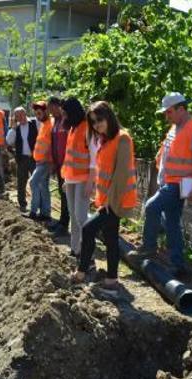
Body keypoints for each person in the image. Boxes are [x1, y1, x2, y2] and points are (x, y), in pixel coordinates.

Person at [129, 92, 192, 276]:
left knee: (151, 207)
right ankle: (177, 264)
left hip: (182, 183)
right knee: (173, 222)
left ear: (181, 109)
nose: (167, 116)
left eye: (169, 112)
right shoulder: (175, 127)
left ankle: (149, 247)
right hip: (170, 181)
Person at [72, 101, 138, 295]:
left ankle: (82, 272)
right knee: (110, 239)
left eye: (99, 120)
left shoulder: (122, 139)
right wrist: (100, 198)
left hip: (116, 201)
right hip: (107, 200)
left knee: (88, 228)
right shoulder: (106, 140)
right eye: (93, 122)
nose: (97, 125)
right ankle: (111, 280)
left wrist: (109, 201)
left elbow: (121, 174)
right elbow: (105, 174)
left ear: (109, 116)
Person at [61, 97, 90, 257]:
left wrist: (91, 182)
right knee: (74, 215)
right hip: (71, 178)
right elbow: (69, 156)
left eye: (65, 113)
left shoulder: (87, 128)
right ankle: (75, 249)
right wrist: (66, 178)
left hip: (83, 178)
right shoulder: (73, 128)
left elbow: (94, 157)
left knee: (81, 217)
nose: (63, 116)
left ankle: (86, 252)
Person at [6, 106, 38, 212]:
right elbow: (9, 141)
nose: (20, 117)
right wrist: (13, 128)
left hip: (34, 158)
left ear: (25, 114)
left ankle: (37, 205)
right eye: (17, 116)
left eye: (21, 114)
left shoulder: (34, 123)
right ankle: (22, 204)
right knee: (21, 183)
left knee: (36, 183)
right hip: (22, 158)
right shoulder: (16, 128)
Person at [47, 96, 70, 235]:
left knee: (66, 195)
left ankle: (65, 224)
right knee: (62, 194)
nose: (50, 111)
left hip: (67, 165)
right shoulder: (56, 122)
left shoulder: (66, 122)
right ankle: (62, 221)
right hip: (58, 164)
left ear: (58, 106)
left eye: (52, 108)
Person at [29, 100, 52, 221]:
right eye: (36, 114)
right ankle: (45, 213)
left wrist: (51, 162)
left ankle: (33, 211)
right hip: (40, 161)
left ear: (46, 111)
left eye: (39, 113)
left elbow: (52, 145)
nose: (37, 116)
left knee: (33, 182)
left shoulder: (50, 125)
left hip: (46, 162)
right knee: (43, 187)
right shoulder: (44, 125)